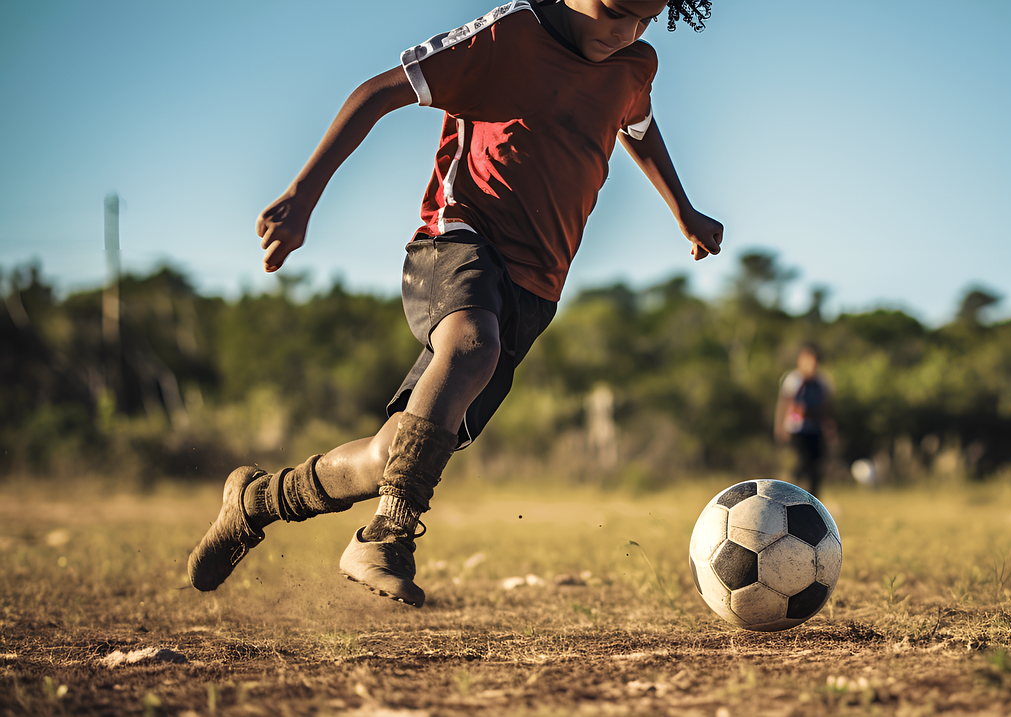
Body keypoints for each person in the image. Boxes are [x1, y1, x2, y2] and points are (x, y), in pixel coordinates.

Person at [188, 0, 722, 608]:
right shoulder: (508, 35)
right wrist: (303, 195)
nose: (624, 31)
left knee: (392, 454)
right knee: (471, 344)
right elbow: (377, 92)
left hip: (535, 287)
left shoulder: (633, 65)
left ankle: (256, 501)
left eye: (644, 20)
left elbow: (639, 128)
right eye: (613, 10)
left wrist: (683, 209)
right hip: (458, 240)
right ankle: (386, 539)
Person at [774, 344, 836, 497]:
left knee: (816, 468)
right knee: (799, 465)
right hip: (797, 429)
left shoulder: (822, 382)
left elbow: (827, 409)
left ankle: (813, 501)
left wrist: (830, 430)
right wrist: (780, 426)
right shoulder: (793, 380)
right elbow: (785, 404)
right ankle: (785, 497)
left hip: (815, 430)